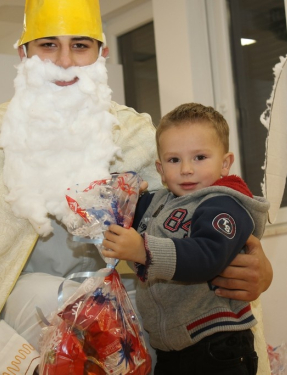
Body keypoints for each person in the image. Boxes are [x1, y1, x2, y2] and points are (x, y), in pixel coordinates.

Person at [0, 1, 273, 374]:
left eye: (81, 46)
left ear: (102, 54)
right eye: (49, 45)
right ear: (24, 54)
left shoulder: (137, 137)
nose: (66, 61)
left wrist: (258, 268)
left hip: (136, 315)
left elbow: (205, 216)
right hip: (23, 321)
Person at [102, 103, 270, 375]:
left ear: (225, 163)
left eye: (200, 157)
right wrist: (123, 193)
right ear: (160, 169)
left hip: (218, 345)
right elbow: (125, 213)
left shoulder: (225, 204)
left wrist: (144, 251)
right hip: (170, 349)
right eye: (174, 160)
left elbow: (208, 256)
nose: (187, 169)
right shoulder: (160, 203)